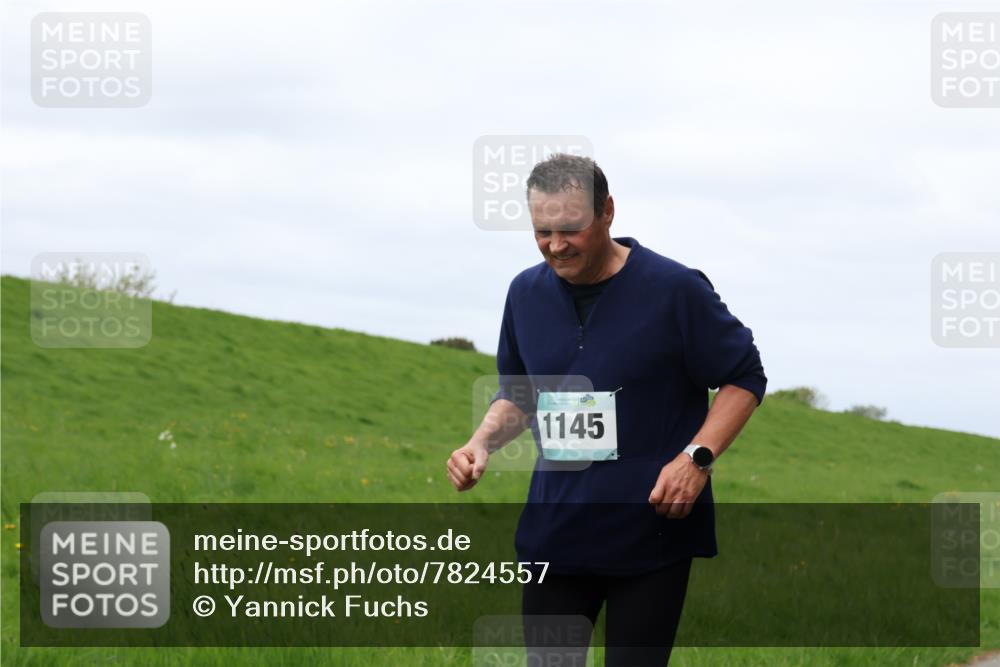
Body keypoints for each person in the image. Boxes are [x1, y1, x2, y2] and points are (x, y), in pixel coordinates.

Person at [447, 153, 766, 666]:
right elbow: (521, 392)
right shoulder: (524, 293)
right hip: (556, 533)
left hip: (651, 534)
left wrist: (697, 458)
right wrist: (479, 444)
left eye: (570, 229)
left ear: (607, 212)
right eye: (542, 232)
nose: (556, 245)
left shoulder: (675, 289)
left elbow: (744, 377)